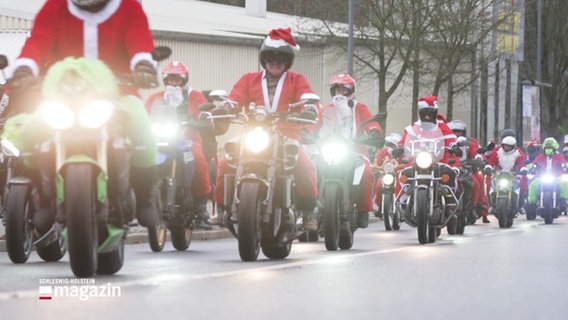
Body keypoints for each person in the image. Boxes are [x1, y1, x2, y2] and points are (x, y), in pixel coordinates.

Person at [5, 0, 160, 233]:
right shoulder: (54, 7)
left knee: (143, 129)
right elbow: (37, 42)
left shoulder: (128, 6)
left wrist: (144, 66)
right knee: (30, 131)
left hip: (119, 93)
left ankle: (144, 195)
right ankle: (44, 199)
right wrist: (25, 69)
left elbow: (140, 39)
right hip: (62, 95)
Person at [213, 27, 320, 231]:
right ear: (264, 58)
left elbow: (307, 97)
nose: (275, 62)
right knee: (226, 161)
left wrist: (309, 109)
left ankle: (308, 212)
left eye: (280, 58)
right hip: (252, 134)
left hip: (287, 134)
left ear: (287, 61)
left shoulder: (297, 80)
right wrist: (226, 107)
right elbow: (235, 97)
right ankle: (221, 209)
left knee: (305, 165)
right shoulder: (248, 79)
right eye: (270, 57)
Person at [145, 61, 213, 229]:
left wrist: (204, 117)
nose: (173, 83)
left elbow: (204, 112)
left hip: (187, 140)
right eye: (170, 80)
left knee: (197, 158)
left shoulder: (194, 96)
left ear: (184, 81)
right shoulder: (155, 98)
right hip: (159, 139)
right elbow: (144, 114)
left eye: (177, 80)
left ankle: (200, 206)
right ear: (165, 80)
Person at [317, 73, 383, 228]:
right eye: (336, 90)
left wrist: (374, 131)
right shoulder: (327, 109)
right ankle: (313, 208)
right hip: (329, 151)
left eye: (343, 90)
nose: (339, 94)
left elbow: (371, 123)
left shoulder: (360, 108)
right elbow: (316, 124)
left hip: (355, 152)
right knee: (314, 168)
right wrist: (307, 132)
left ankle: (363, 210)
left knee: (366, 173)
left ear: (351, 91)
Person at [393, 96, 462, 205]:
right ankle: (402, 200)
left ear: (435, 113)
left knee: (450, 174)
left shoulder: (442, 127)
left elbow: (450, 139)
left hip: (438, 161)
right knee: (402, 174)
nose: (427, 116)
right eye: (425, 113)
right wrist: (400, 147)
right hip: (417, 161)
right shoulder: (413, 128)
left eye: (430, 113)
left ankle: (449, 200)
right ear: (420, 113)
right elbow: (404, 140)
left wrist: (454, 146)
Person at [448, 119, 490, 223]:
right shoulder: (446, 141)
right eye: (454, 131)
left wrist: (478, 158)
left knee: (476, 182)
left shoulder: (470, 142)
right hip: (449, 168)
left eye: (459, 131)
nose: (457, 134)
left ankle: (476, 205)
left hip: (466, 167)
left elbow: (475, 152)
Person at [524, 137, 568, 213]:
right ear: (544, 148)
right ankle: (533, 203)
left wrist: (565, 165)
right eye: (547, 148)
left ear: (554, 148)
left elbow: (564, 162)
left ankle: (562, 201)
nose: (548, 149)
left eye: (550, 148)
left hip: (556, 178)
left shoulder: (558, 156)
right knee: (533, 184)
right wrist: (529, 167)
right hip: (542, 178)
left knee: (564, 183)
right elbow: (533, 162)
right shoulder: (540, 156)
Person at [372, 133, 404, 218]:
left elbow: (407, 164)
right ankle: (380, 206)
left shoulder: (403, 153)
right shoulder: (383, 152)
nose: (390, 147)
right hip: (386, 176)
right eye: (389, 145)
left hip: (399, 175)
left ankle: (405, 204)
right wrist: (382, 166)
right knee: (379, 185)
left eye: (392, 145)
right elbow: (375, 165)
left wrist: (398, 167)